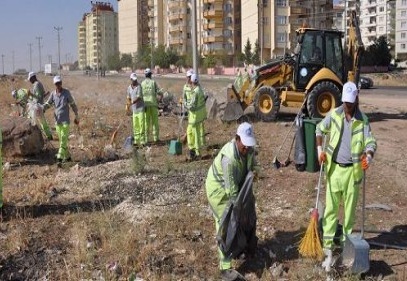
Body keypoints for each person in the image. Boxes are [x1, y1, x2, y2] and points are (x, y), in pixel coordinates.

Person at [316, 81, 377, 272]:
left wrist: (368, 156)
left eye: (350, 103)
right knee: (331, 211)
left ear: (356, 99)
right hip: (334, 170)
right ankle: (327, 249)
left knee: (349, 214)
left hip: (353, 172)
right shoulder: (334, 114)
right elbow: (319, 129)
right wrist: (320, 151)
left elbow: (371, 142)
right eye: (345, 102)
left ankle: (346, 249)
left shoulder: (363, 120)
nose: (347, 106)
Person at [205, 122, 258, 281]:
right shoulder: (229, 159)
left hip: (236, 185)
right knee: (227, 222)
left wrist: (255, 172)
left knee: (248, 212)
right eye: (244, 145)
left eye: (249, 144)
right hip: (218, 190)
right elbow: (233, 193)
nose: (247, 148)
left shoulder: (248, 150)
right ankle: (225, 267)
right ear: (237, 139)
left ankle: (243, 247)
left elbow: (253, 166)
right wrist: (239, 210)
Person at [43, 76, 79, 163]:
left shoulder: (66, 93)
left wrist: (76, 115)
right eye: (56, 83)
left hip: (65, 121)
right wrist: (42, 108)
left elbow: (72, 104)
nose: (58, 85)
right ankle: (68, 157)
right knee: (62, 141)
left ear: (61, 83)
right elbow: (48, 103)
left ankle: (59, 156)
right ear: (54, 84)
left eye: (59, 83)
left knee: (63, 138)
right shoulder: (53, 94)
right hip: (57, 121)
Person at [184, 73, 207, 160]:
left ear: (192, 81)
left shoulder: (195, 92)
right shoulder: (200, 89)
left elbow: (192, 106)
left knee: (192, 133)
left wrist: (185, 104)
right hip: (199, 116)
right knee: (195, 133)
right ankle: (196, 151)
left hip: (194, 116)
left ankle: (194, 152)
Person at [27, 72, 53, 140]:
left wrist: (30, 94)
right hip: (37, 106)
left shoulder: (37, 84)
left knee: (37, 122)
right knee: (41, 122)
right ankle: (48, 135)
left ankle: (46, 136)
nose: (30, 81)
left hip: (37, 107)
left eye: (30, 79)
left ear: (33, 77)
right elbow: (42, 95)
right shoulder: (38, 83)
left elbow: (38, 97)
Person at [141, 68, 161, 144]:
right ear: (150, 75)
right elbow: (159, 92)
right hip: (153, 105)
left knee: (146, 123)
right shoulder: (153, 82)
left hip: (145, 106)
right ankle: (156, 138)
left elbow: (140, 95)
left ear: (145, 75)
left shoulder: (142, 83)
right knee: (155, 122)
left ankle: (146, 140)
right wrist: (160, 97)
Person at [126, 73, 146, 147]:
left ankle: (142, 141)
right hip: (134, 110)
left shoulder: (139, 86)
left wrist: (132, 102)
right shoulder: (129, 88)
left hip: (140, 109)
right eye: (133, 80)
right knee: (135, 125)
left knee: (141, 125)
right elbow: (128, 97)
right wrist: (128, 104)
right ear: (130, 79)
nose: (135, 81)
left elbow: (139, 97)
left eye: (135, 79)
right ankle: (136, 140)